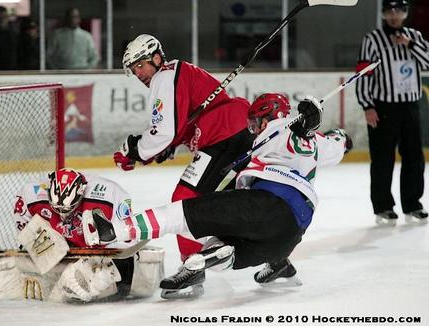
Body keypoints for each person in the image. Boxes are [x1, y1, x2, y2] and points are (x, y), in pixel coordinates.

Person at [86, 94, 352, 298]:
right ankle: (231, 255)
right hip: (291, 234)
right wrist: (330, 133)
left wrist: (304, 124)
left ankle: (116, 230)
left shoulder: (278, 127)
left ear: (271, 116)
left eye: (256, 121)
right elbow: (338, 143)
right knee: (223, 253)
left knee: (180, 214)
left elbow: (292, 132)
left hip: (267, 204)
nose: (253, 128)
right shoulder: (315, 140)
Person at [115, 34, 256, 293]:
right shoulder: (178, 72)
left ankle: (191, 267)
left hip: (221, 134)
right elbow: (178, 129)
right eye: (134, 69)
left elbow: (164, 132)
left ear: (156, 58)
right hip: (238, 130)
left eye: (140, 65)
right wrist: (162, 148)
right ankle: (279, 259)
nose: (138, 73)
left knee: (185, 197)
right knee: (241, 199)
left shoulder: (163, 76)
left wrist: (135, 150)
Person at [0, 168, 164, 303]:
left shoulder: (109, 195)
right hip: (63, 247)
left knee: (88, 281)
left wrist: (105, 244)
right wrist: (35, 244)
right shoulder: (30, 196)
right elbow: (24, 226)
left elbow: (127, 241)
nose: (63, 215)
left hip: (96, 251)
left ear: (82, 193)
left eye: (69, 208)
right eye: (58, 210)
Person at [356, 0, 429, 226]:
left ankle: (413, 203)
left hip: (410, 106)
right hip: (382, 107)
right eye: (390, 11)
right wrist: (367, 105)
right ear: (384, 14)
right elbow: (363, 73)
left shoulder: (415, 36)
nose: (395, 15)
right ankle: (383, 206)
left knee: (414, 158)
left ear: (406, 13)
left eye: (400, 11)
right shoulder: (372, 39)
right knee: (382, 159)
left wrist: (410, 45)